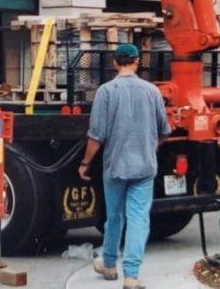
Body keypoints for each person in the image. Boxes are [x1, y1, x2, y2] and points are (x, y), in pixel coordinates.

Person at [80, 43, 171, 289]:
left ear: (114, 63)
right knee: (139, 218)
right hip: (144, 167)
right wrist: (151, 148)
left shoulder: (105, 92)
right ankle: (131, 275)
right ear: (137, 61)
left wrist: (85, 163)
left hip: (115, 167)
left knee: (114, 217)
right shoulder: (152, 92)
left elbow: (96, 136)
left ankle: (109, 263)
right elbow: (164, 130)